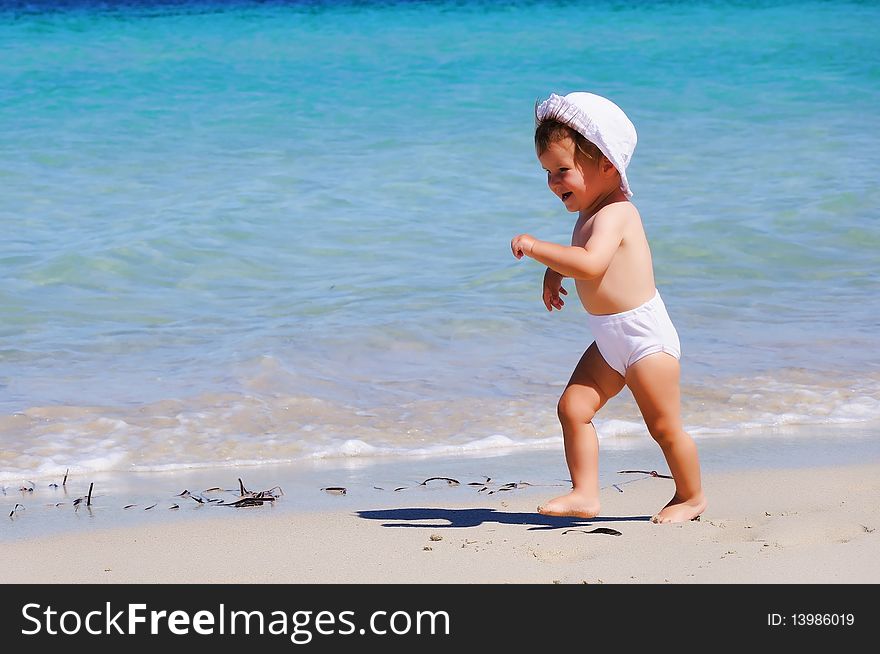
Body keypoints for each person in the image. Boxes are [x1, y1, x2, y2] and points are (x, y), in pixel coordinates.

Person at [510, 91, 706, 523]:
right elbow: (582, 260)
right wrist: (555, 272)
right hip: (609, 337)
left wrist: (539, 249)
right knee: (572, 409)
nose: (554, 183)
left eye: (562, 170)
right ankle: (585, 493)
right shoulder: (587, 214)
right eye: (547, 172)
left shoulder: (618, 213)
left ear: (608, 166)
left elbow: (593, 262)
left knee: (663, 427)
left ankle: (691, 496)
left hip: (643, 338)